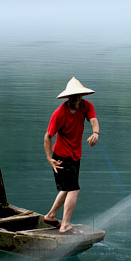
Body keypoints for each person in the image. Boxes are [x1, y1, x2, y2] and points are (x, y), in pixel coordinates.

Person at [43, 77, 100, 234]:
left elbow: (94, 120)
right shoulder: (59, 114)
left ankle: (51, 216)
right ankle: (65, 225)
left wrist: (95, 133)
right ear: (68, 97)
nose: (76, 98)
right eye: (73, 96)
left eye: (79, 95)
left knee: (70, 189)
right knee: (74, 190)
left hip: (75, 155)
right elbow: (48, 136)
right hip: (61, 156)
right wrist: (49, 158)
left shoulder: (86, 106)